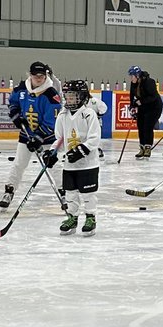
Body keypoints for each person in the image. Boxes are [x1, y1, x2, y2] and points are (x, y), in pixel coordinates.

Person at [2, 61, 62, 209]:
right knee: (19, 164)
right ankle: (9, 191)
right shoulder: (21, 88)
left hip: (47, 137)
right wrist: (15, 115)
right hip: (26, 135)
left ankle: (64, 192)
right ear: (30, 75)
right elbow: (13, 103)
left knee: (53, 165)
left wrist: (39, 137)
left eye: (42, 76)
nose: (39, 79)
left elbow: (52, 121)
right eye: (36, 76)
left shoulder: (51, 94)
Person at [44, 79, 100, 236]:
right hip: (69, 165)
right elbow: (60, 138)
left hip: (88, 164)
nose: (69, 99)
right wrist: (52, 152)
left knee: (88, 193)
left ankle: (90, 217)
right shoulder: (63, 115)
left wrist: (81, 150)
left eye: (72, 96)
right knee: (70, 193)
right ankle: (72, 218)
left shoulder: (89, 114)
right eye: (67, 96)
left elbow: (94, 138)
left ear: (81, 97)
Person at [128, 66, 162, 158]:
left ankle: (147, 147)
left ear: (137, 76)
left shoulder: (149, 82)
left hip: (154, 107)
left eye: (132, 76)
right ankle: (142, 147)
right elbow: (132, 96)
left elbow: (153, 96)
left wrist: (141, 101)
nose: (131, 78)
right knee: (140, 125)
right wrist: (132, 106)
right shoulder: (133, 83)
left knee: (147, 126)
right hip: (143, 106)